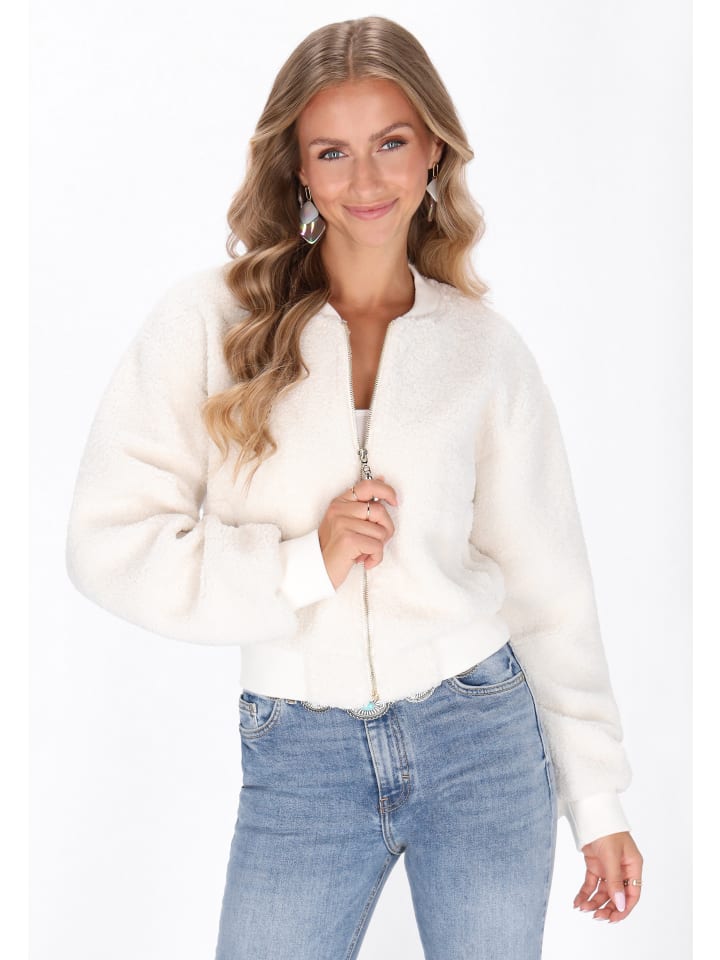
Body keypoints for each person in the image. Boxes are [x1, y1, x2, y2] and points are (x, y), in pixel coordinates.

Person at [65, 15, 643, 960]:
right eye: (332, 152)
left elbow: (549, 584)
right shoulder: (210, 322)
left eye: (392, 143)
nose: (365, 180)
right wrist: (301, 566)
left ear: (434, 151)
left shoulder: (482, 349)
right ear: (297, 167)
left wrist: (599, 800)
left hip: (482, 737)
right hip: (300, 753)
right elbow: (107, 542)